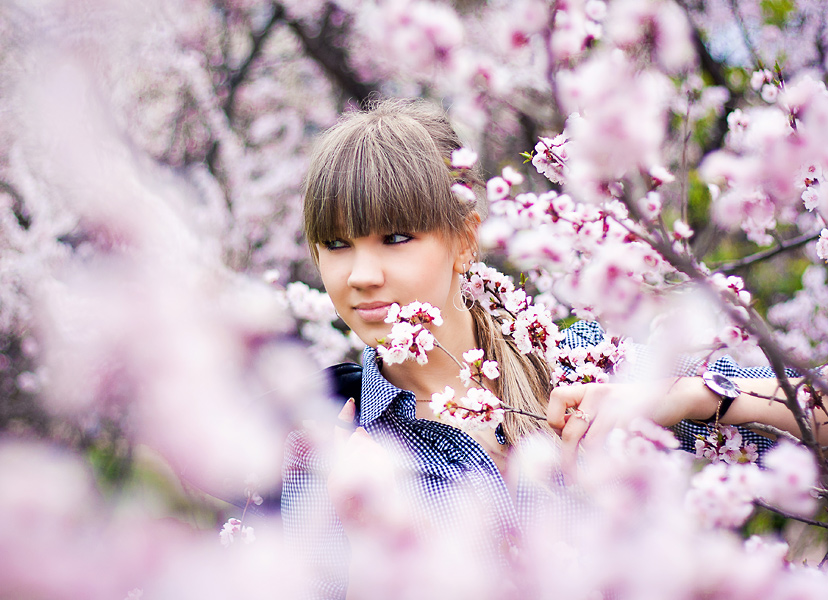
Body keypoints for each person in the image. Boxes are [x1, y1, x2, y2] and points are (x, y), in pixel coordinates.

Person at [281, 98, 827, 599]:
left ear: (464, 238)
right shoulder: (326, 450)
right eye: (336, 245)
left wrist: (684, 395)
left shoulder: (579, 365)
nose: (361, 275)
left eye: (395, 238)